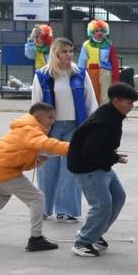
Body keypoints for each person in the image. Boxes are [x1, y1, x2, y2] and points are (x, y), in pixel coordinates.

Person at [0, 102, 66, 252]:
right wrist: (75, 147)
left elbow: (21, 158)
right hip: (2, 170)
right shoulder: (31, 130)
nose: (53, 121)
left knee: (4, 192)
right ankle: (36, 239)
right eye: (50, 117)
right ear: (38, 117)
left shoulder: (25, 127)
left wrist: (37, 161)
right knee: (37, 198)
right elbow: (51, 145)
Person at [65, 81, 138, 258]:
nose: (131, 106)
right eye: (129, 102)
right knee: (102, 205)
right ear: (116, 101)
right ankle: (82, 242)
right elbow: (90, 151)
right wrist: (115, 158)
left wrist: (111, 156)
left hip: (100, 165)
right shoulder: (104, 122)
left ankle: (95, 234)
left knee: (118, 197)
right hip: (87, 167)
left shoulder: (112, 115)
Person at [32, 37, 98, 221]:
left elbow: (91, 102)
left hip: (75, 127)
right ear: (55, 53)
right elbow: (35, 106)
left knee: (71, 170)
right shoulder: (42, 75)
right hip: (49, 129)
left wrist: (93, 128)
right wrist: (36, 131)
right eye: (64, 51)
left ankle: (67, 210)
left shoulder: (80, 73)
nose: (69, 55)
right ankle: (44, 209)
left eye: (71, 51)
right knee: (47, 169)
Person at [76, 19, 120, 105]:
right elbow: (82, 61)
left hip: (106, 72)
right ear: (92, 32)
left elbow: (114, 61)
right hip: (91, 71)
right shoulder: (86, 44)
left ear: (105, 32)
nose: (99, 33)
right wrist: (80, 76)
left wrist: (115, 77)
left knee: (105, 95)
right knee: (92, 93)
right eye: (96, 31)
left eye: (102, 30)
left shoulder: (109, 44)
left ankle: (104, 113)